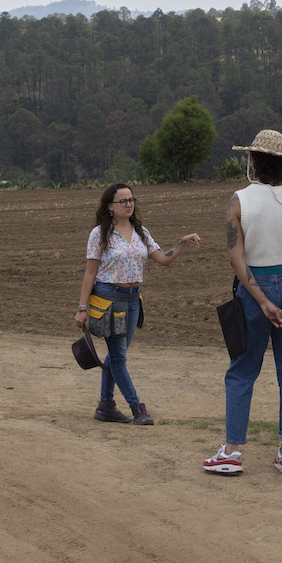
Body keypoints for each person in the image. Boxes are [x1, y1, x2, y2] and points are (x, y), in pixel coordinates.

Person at [204, 129, 282, 476]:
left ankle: (232, 451)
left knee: (242, 371)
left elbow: (235, 257)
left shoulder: (239, 200)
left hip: (255, 289)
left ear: (252, 160)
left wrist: (262, 301)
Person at [74, 182, 201, 426]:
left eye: (131, 199)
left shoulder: (140, 231)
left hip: (133, 300)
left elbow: (163, 259)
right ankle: (137, 407)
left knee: (116, 355)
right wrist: (82, 308)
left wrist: (182, 242)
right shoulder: (99, 234)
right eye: (123, 201)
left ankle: (105, 405)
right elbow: (90, 273)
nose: (129, 204)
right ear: (110, 206)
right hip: (109, 300)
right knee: (119, 357)